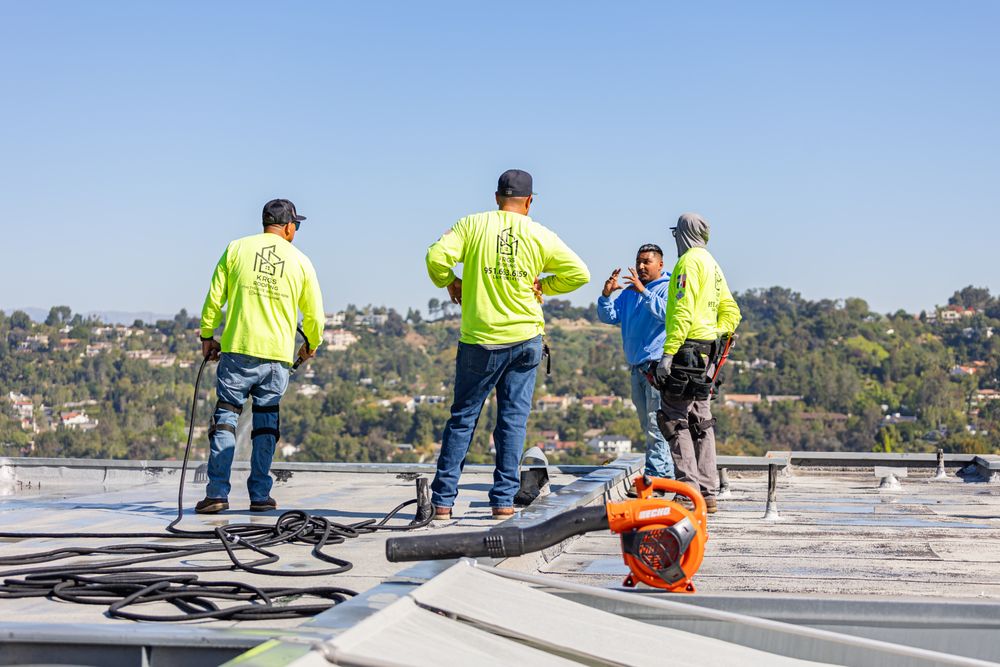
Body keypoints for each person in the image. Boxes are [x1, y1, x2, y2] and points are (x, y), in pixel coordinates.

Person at [425, 169, 590, 520]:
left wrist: (450, 280)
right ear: (529, 202)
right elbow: (579, 273)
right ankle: (502, 502)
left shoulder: (471, 225)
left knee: (463, 418)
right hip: (525, 339)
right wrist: (546, 286)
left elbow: (435, 258)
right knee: (512, 421)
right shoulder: (540, 234)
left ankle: (442, 503)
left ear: (496, 197)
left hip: (480, 341)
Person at [196, 199, 324, 514]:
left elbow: (214, 297)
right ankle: (259, 496)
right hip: (277, 358)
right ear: (290, 227)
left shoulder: (236, 249)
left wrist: (207, 336)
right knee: (266, 424)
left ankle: (216, 494)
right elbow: (315, 316)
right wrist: (311, 344)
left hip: (239, 350)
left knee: (226, 418)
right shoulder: (301, 262)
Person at [653, 213, 741, 514]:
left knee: (674, 419)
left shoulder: (688, 263)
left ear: (683, 234)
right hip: (706, 355)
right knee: (701, 421)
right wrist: (715, 335)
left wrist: (669, 352)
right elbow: (732, 311)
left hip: (685, 351)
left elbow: (682, 311)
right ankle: (708, 491)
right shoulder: (713, 265)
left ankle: (687, 489)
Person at [596, 244, 675, 483]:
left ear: (660, 264)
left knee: (656, 424)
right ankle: (665, 472)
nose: (640, 266)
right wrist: (606, 295)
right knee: (647, 424)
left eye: (646, 262)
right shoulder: (630, 292)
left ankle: (658, 477)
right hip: (636, 368)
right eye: (638, 261)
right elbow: (609, 316)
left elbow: (668, 314)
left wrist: (644, 292)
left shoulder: (667, 288)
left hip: (657, 367)